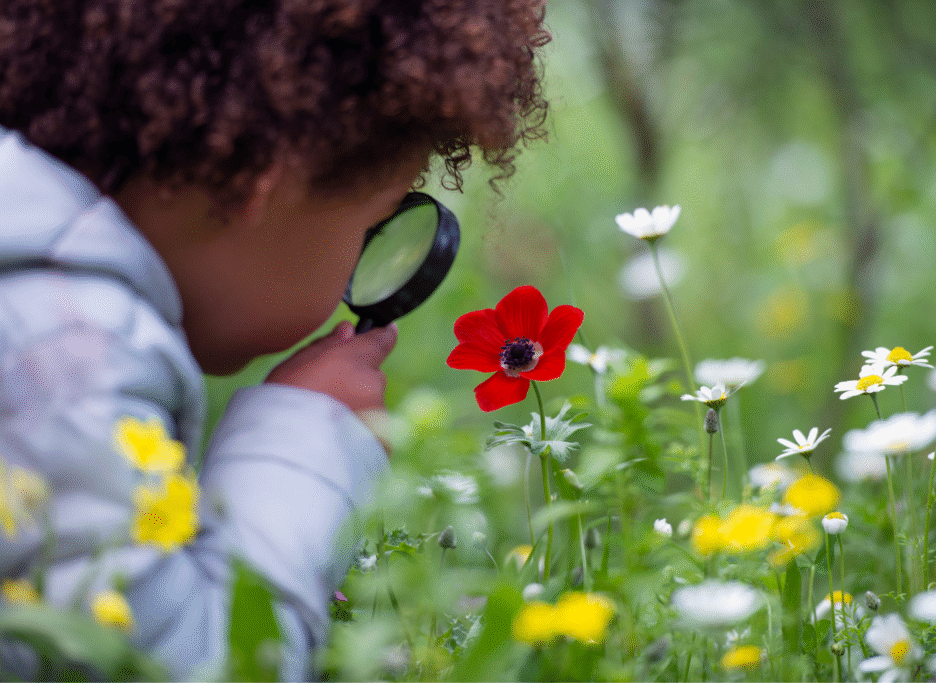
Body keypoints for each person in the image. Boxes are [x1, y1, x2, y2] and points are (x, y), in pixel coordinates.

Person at [0, 0, 548, 679]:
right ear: (262, 178)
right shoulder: (66, 351)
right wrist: (299, 441)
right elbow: (184, 665)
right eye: (371, 227)